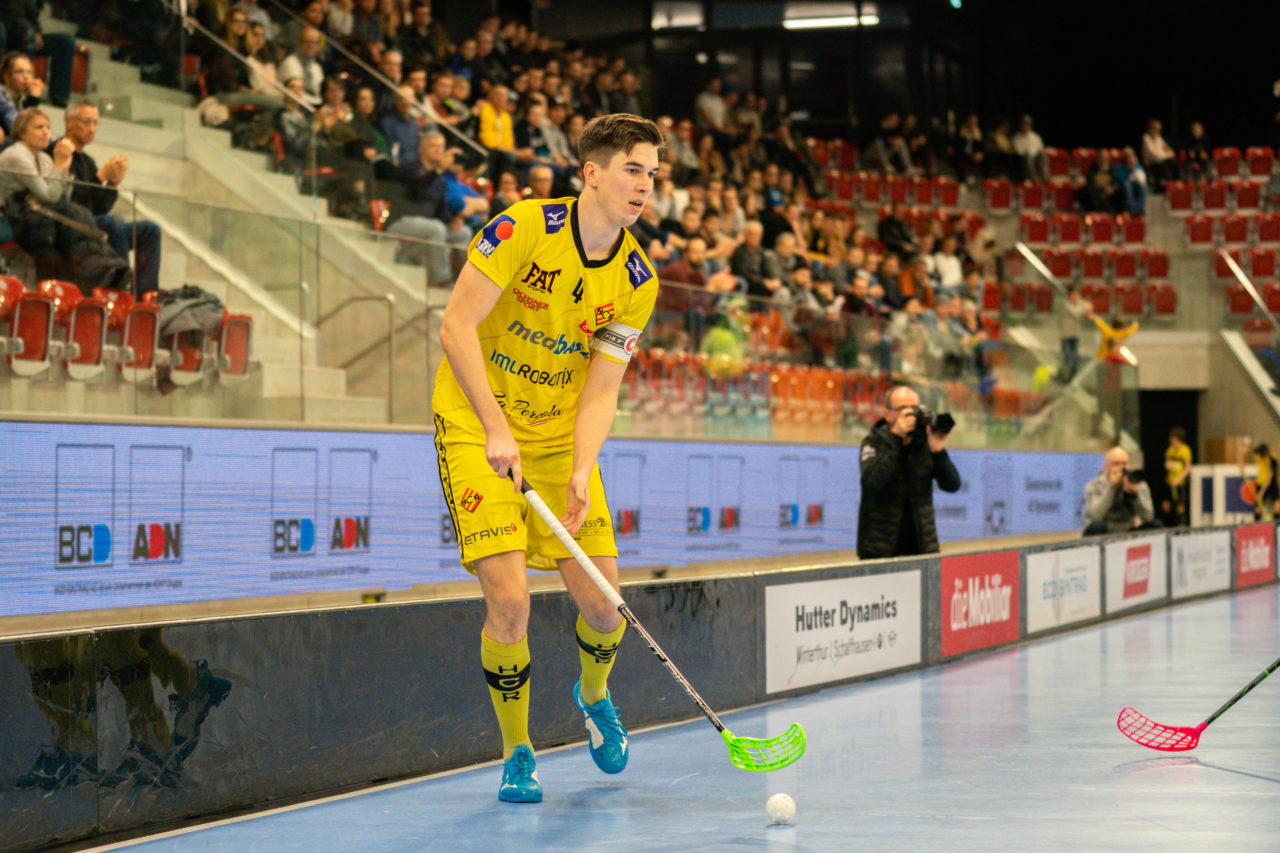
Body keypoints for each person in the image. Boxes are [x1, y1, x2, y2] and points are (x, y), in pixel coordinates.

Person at [432, 113, 663, 804]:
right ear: (591, 171)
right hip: (479, 423)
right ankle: (518, 749)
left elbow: (601, 389)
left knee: (604, 607)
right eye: (632, 168)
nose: (644, 185)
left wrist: (582, 468)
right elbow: (456, 325)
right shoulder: (522, 227)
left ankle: (592, 696)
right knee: (509, 600)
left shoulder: (636, 278)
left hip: (560, 434)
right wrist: (496, 426)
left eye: (652, 173)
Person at [0, 107, 130, 290]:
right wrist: (60, 165)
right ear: (22, 132)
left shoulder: (43, 159)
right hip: (10, 218)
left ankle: (109, 270)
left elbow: (63, 198)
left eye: (48, 127)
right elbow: (49, 196)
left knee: (77, 214)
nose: (46, 132)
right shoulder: (17, 155)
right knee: (61, 226)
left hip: (33, 217)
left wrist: (65, 170)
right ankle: (67, 285)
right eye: (39, 127)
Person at [57, 101, 162, 295]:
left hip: (92, 223)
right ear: (69, 122)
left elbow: (99, 208)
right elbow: (70, 202)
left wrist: (112, 184)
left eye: (96, 122)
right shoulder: (59, 152)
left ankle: (146, 295)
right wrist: (100, 178)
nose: (92, 128)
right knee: (113, 223)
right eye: (87, 121)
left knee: (150, 230)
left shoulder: (87, 161)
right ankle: (123, 289)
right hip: (69, 225)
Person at [857, 384, 961, 559]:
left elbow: (952, 485)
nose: (911, 415)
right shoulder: (875, 441)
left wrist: (938, 452)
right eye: (903, 409)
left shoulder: (924, 443)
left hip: (921, 549)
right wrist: (896, 437)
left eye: (914, 408)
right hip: (880, 550)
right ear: (888, 414)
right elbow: (871, 483)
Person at [1083, 446, 1159, 535]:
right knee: (1096, 526)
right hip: (1105, 531)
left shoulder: (1138, 483)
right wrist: (1112, 488)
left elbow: (1148, 517)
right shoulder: (1094, 485)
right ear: (1106, 467)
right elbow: (1095, 517)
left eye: (1124, 463)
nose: (1121, 468)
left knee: (1156, 524)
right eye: (1116, 464)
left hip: (1128, 530)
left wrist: (1134, 495)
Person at [1163, 427, 1192, 527]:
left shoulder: (1185, 450)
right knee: (1167, 506)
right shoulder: (1170, 450)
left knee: (1180, 506)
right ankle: (1169, 525)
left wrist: (1178, 479)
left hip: (1180, 483)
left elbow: (1188, 468)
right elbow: (1166, 463)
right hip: (1170, 482)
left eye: (1173, 438)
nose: (1171, 440)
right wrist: (1168, 465)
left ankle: (1181, 525)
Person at [1243, 443, 1280, 522]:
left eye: (1266, 457)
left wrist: (1261, 492)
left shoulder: (1273, 460)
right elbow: (1246, 450)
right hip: (1260, 483)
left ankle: (1277, 526)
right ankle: (1257, 525)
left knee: (1278, 506)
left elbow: (1269, 478)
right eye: (1264, 457)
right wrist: (1244, 450)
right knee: (1258, 508)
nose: (1265, 458)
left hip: (1271, 485)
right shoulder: (1257, 453)